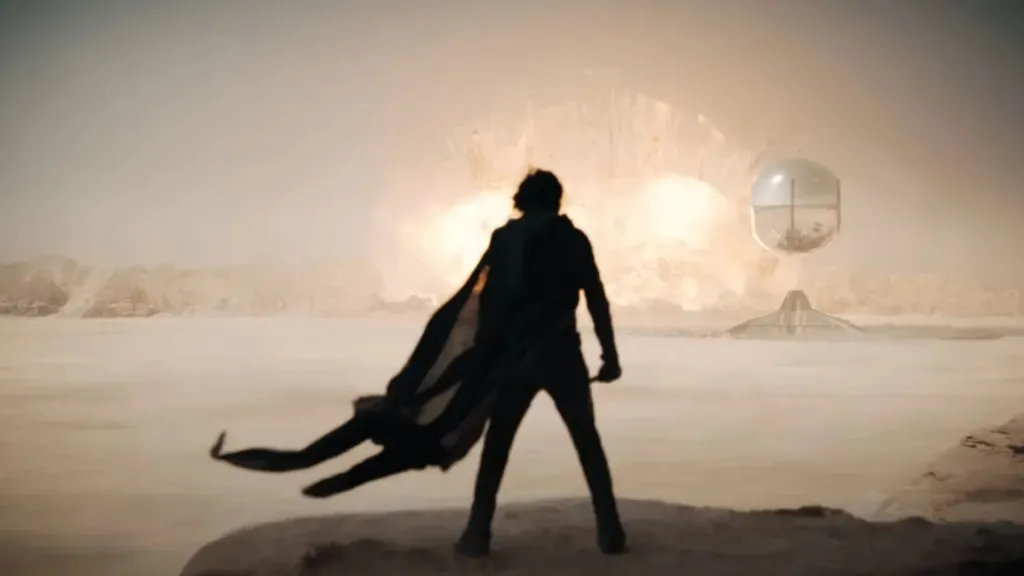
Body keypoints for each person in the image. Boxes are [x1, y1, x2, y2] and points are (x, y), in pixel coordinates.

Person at [454, 169, 627, 557]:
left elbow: (487, 302)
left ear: (522, 200)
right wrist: (610, 355)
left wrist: (482, 356)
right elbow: (595, 298)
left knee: (497, 445)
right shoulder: (572, 239)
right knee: (587, 440)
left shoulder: (504, 239)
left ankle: (477, 532)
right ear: (556, 200)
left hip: (514, 356)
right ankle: (610, 530)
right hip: (562, 352)